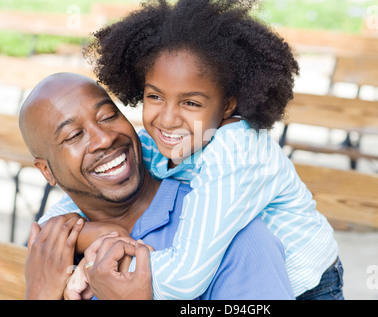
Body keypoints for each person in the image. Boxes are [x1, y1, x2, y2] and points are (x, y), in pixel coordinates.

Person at [41, 0, 343, 300]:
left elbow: (182, 280)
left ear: (228, 104)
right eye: (155, 96)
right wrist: (86, 233)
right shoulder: (160, 142)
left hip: (309, 288)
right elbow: (51, 223)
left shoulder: (237, 154)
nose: (168, 118)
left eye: (191, 103)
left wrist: (96, 268)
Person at [20, 72, 294, 300]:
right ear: (46, 170)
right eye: (74, 135)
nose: (104, 139)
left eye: (107, 116)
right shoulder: (54, 249)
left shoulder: (235, 239)